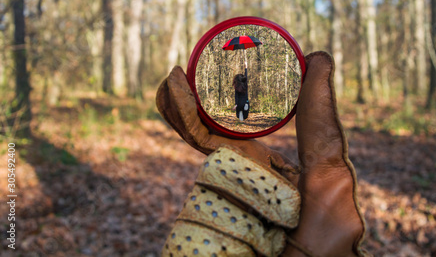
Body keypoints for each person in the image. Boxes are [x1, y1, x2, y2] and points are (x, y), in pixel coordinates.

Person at [156, 52, 367, 256]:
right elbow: (237, 85)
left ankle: (241, 120)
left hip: (243, 100)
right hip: (239, 100)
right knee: (240, 110)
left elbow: (245, 82)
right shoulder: (237, 82)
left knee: (243, 109)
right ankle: (239, 122)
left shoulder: (243, 81)